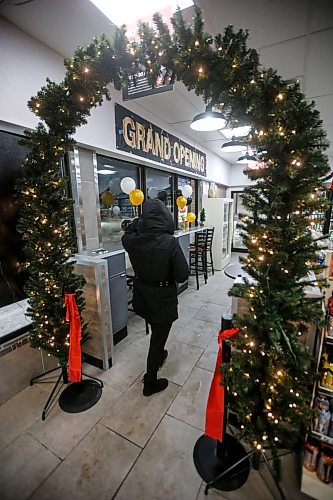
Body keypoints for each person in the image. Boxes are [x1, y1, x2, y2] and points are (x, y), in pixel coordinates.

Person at [122, 199, 189, 396]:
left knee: (156, 332)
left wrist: (138, 222)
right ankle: (150, 381)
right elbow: (183, 275)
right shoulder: (170, 242)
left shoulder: (132, 241)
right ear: (166, 218)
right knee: (158, 339)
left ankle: (159, 355)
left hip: (142, 296)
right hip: (162, 298)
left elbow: (127, 232)